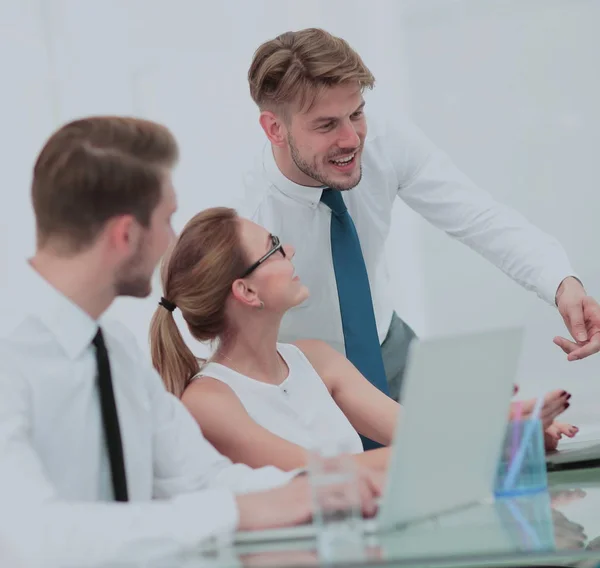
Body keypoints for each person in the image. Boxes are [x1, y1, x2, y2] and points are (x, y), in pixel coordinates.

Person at [0, 117, 382, 568]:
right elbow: (29, 535)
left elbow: (201, 478)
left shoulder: (113, 349)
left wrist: (314, 489)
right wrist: (241, 511)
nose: (171, 240)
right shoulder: (11, 357)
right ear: (125, 234)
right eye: (166, 219)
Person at [239, 28, 600, 415]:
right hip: (303, 385)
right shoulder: (244, 218)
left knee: (489, 449)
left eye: (356, 113)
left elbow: (477, 215)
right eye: (327, 125)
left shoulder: (383, 143)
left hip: (390, 350)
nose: (351, 139)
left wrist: (562, 283)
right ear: (274, 129)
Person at [148, 207, 573, 473]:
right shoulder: (207, 402)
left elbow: (415, 433)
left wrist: (509, 433)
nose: (290, 251)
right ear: (247, 291)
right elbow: (327, 478)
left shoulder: (315, 358)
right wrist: (488, 436)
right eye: (273, 247)